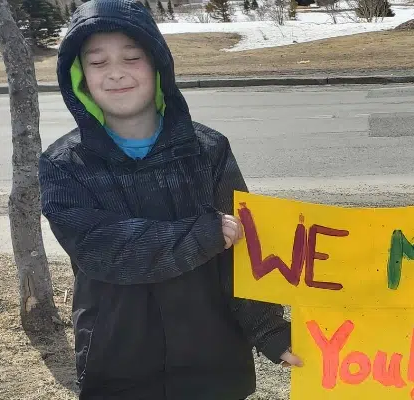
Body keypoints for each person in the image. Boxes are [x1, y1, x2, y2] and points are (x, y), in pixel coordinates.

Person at [38, 0, 301, 398]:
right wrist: (202, 234)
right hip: (118, 360)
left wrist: (269, 330)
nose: (116, 73)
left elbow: (244, 252)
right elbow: (100, 248)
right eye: (97, 62)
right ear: (79, 76)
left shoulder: (207, 149)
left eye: (132, 57)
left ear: (158, 65)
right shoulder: (64, 164)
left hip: (213, 359)